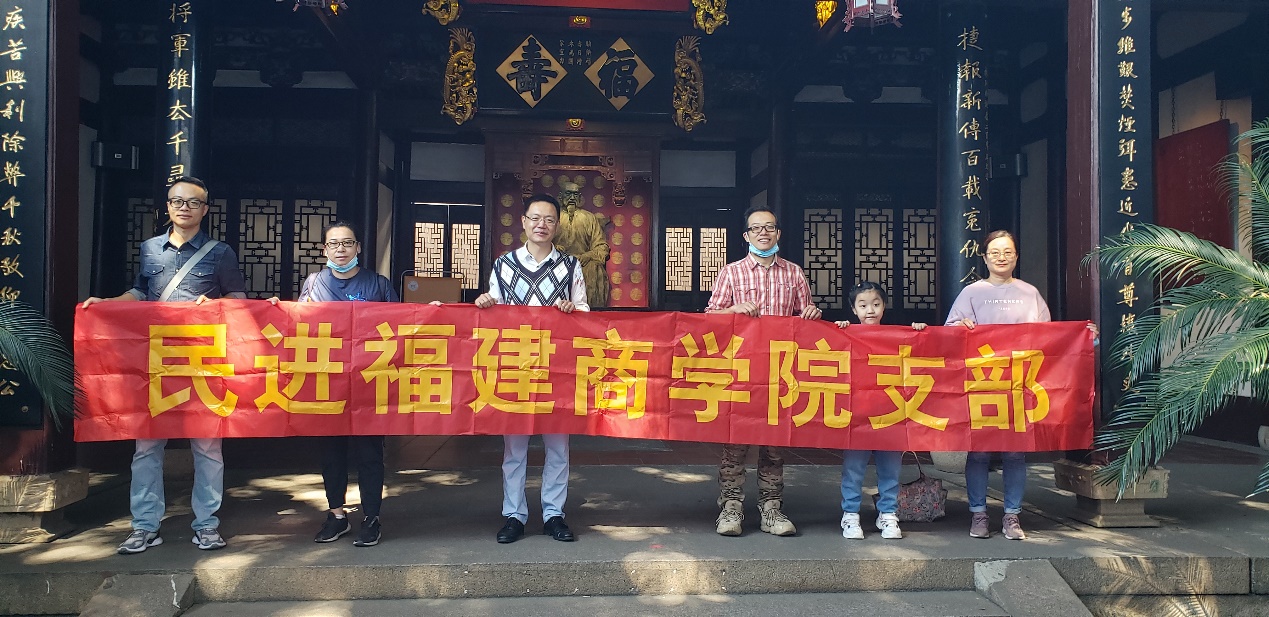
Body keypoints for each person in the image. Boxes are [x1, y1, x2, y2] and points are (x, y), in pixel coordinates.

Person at [81, 176, 247, 554]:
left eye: (193, 202)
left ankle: (207, 524)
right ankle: (144, 525)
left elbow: (239, 300)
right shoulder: (150, 249)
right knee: (146, 448)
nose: (185, 208)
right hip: (155, 363)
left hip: (202, 362)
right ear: (168, 207)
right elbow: (141, 292)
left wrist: (217, 306)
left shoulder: (221, 253)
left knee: (208, 448)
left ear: (205, 209)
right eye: (178, 201)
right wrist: (107, 304)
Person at [945, 230, 1097, 540]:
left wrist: (1083, 337)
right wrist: (960, 326)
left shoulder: (1030, 294)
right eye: (994, 252)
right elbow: (947, 336)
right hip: (983, 384)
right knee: (978, 452)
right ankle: (978, 514)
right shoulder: (971, 293)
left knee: (1015, 452)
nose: (1001, 258)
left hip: (1020, 384)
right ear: (984, 257)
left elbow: (1050, 340)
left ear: (1016, 256)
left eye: (1007, 252)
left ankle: (1012, 516)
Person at [269, 222, 398, 547]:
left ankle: (371, 518)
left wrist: (434, 314)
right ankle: (336, 515)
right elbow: (297, 325)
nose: (341, 249)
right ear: (325, 249)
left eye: (347, 243)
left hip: (369, 383)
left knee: (370, 454)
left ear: (358, 248)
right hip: (327, 384)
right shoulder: (314, 284)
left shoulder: (377, 284)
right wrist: (274, 310)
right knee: (331, 452)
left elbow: (401, 323)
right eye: (334, 244)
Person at [475, 194, 588, 544]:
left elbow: (585, 313)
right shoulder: (504, 264)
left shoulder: (570, 265)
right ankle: (514, 515)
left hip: (557, 369)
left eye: (549, 219)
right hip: (516, 368)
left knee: (558, 448)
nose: (542, 225)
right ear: (523, 222)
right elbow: (493, 309)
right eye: (535, 218)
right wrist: (484, 302)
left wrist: (572, 310)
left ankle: (554, 514)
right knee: (515, 449)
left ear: (557, 225)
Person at [705, 204, 822, 537]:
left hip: (780, 372)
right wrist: (733, 310)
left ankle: (772, 509)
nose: (763, 233)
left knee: (774, 443)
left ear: (778, 233)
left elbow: (806, 318)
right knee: (736, 440)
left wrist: (812, 314)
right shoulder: (732, 272)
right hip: (741, 369)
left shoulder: (794, 273)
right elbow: (709, 316)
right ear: (746, 236)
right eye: (756, 228)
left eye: (769, 227)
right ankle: (730, 508)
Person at [834, 282, 925, 540]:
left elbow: (921, 353)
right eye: (863, 305)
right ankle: (850, 514)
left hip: (890, 414)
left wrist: (920, 333)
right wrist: (837, 331)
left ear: (884, 307)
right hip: (857, 416)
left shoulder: (897, 335)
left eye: (876, 304)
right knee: (853, 469)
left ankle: (888, 513)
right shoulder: (846, 334)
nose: (870, 310)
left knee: (890, 469)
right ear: (854, 309)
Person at [553, 181, 610, 308]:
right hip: (557, 261)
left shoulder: (589, 218)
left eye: (575, 194)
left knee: (594, 269)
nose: (572, 198)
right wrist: (553, 249)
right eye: (568, 194)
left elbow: (601, 246)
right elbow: (541, 243)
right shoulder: (553, 217)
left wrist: (587, 256)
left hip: (583, 263)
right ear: (560, 196)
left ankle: (591, 311)